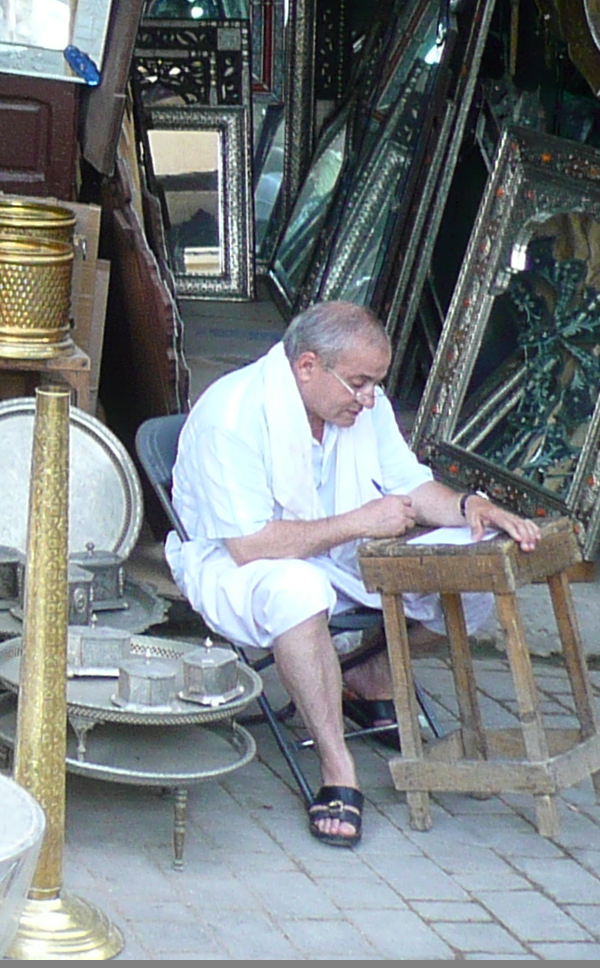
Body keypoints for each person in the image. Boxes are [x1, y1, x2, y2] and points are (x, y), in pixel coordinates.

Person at [170, 299, 540, 851]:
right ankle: (337, 769)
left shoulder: (364, 406)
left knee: (470, 571)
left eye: (376, 384)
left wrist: (469, 507)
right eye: (360, 384)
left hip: (333, 552)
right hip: (234, 564)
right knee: (298, 589)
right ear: (308, 366)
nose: (370, 399)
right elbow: (249, 546)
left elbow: (409, 484)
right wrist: (361, 521)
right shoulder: (233, 414)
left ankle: (366, 677)